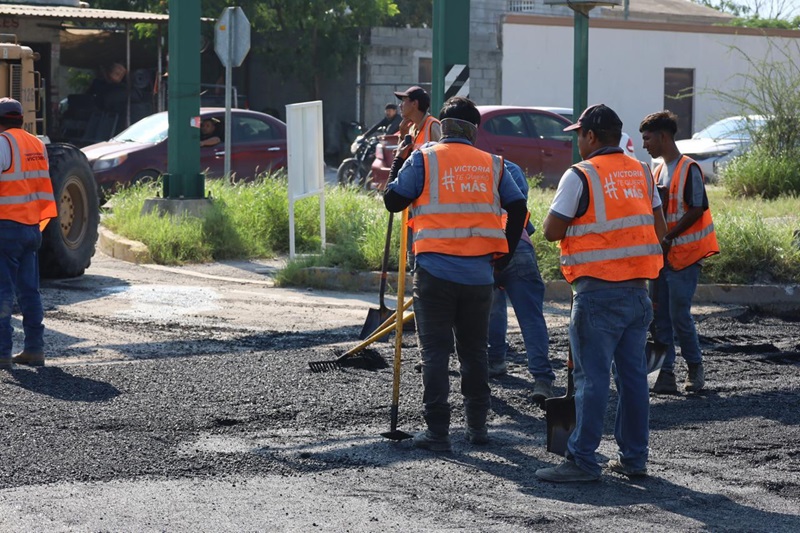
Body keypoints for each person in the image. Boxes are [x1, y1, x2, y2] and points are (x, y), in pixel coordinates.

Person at [383, 96, 527, 452]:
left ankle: (438, 433)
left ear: (443, 126)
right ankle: (477, 428)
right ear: (474, 130)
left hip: (434, 273)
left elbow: (393, 201)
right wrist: (504, 256)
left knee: (434, 354)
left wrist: (398, 160)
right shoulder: (493, 164)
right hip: (479, 276)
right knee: (475, 353)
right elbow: (518, 206)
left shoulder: (425, 158)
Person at [535, 104, 667, 482]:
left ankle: (582, 460)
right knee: (633, 379)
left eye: (579, 135)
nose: (578, 142)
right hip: (638, 292)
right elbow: (658, 230)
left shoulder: (581, 175)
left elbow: (552, 230)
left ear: (591, 136)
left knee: (592, 381)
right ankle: (634, 459)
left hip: (596, 293)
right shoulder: (641, 172)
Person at [640, 111, 720, 394]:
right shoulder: (658, 170)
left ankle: (695, 367)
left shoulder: (689, 168)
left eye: (647, 138)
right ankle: (666, 374)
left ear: (663, 136)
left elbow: (697, 208)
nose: (644, 144)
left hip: (684, 256)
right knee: (659, 317)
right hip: (663, 257)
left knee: (678, 315)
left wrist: (668, 237)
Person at [487, 160, 554, 404]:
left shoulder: (470, 170)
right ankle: (542, 379)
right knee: (530, 317)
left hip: (484, 247)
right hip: (519, 246)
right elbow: (519, 207)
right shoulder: (509, 169)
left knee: (491, 309)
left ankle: (495, 361)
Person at [0, 98, 57, 369]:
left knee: (3, 291)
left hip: (6, 228)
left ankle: (2, 353)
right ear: (21, 119)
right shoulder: (37, 144)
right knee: (29, 291)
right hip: (32, 228)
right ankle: (35, 349)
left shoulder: (3, 143)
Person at [394, 86, 442, 151]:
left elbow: (442, 153)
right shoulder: (411, 128)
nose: (400, 105)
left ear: (414, 103)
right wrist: (402, 136)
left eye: (403, 101)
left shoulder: (433, 126)